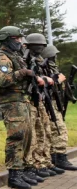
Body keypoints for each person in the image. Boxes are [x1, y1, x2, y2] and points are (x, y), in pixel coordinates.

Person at [0, 26, 41, 189]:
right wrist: (22, 73)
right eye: (16, 38)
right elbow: (3, 80)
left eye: (20, 38)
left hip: (21, 100)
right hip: (11, 102)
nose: (19, 41)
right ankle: (14, 174)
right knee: (16, 137)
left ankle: (23, 168)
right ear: (6, 39)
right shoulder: (1, 58)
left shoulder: (15, 56)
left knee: (27, 135)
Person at [24, 33, 64, 178]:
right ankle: (36, 164)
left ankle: (44, 162)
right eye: (37, 46)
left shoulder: (38, 61)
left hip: (40, 99)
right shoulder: (26, 59)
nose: (40, 48)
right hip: (30, 100)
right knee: (35, 135)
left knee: (45, 132)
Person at [41, 44, 77, 172]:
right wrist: (57, 81)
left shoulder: (52, 68)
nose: (55, 57)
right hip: (49, 103)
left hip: (55, 103)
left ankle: (57, 157)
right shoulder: (43, 68)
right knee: (58, 130)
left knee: (57, 130)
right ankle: (58, 158)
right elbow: (45, 84)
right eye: (53, 55)